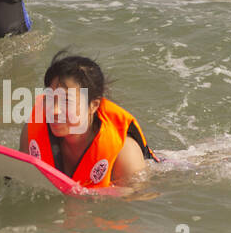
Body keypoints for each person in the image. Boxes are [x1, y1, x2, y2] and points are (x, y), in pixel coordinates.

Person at [20, 51, 158, 189]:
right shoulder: (32, 131)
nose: (54, 110)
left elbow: (140, 201)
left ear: (93, 105)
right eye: (50, 98)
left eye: (66, 101)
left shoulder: (125, 153)